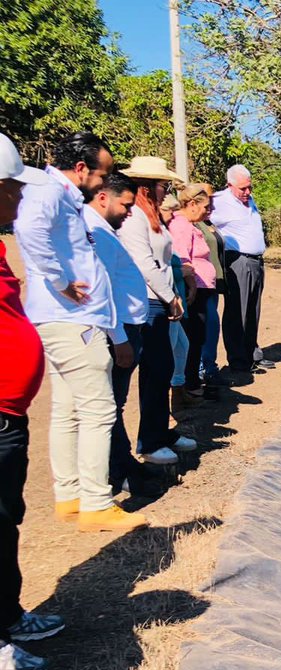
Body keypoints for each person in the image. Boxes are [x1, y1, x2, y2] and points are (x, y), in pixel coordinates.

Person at [13, 132, 147, 534]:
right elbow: (29, 230)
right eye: (102, 174)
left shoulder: (62, 197)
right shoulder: (50, 191)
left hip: (68, 319)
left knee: (69, 409)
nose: (103, 182)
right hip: (73, 320)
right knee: (98, 410)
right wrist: (59, 281)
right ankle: (96, 503)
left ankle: (70, 495)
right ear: (81, 168)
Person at [0, 133, 65, 670]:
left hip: (9, 416)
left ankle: (8, 615)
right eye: (12, 188)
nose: (21, 197)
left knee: (6, 519)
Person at [117, 156, 196, 466]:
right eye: (164, 185)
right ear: (148, 187)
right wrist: (169, 296)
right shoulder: (134, 217)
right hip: (149, 302)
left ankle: (160, 432)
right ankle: (150, 442)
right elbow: (144, 263)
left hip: (159, 300)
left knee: (162, 369)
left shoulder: (152, 217)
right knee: (154, 371)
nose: (167, 191)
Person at [84, 172, 153, 495]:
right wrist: (120, 338)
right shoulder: (94, 233)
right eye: (125, 205)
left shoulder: (104, 231)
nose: (129, 212)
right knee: (109, 405)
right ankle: (116, 472)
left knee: (115, 404)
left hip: (127, 327)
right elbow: (102, 290)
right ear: (103, 198)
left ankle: (122, 464)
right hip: (118, 331)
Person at [210, 164, 271, 375]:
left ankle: (252, 354)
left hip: (256, 261)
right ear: (230, 185)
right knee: (237, 311)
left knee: (253, 309)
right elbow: (200, 219)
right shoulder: (219, 201)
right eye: (242, 188)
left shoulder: (249, 200)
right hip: (238, 261)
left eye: (249, 187)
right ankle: (237, 360)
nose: (247, 192)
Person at [168, 184, 217, 399]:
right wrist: (192, 284)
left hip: (202, 288)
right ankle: (189, 383)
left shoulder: (190, 225)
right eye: (205, 206)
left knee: (198, 336)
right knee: (193, 337)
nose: (208, 211)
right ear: (192, 204)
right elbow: (183, 258)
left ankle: (191, 381)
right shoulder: (181, 226)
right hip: (194, 290)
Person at [159, 195, 197, 412]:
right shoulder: (151, 234)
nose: (172, 217)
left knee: (182, 345)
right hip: (165, 300)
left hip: (173, 296)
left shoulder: (164, 233)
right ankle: (167, 401)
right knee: (169, 349)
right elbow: (153, 270)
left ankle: (178, 391)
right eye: (169, 212)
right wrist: (181, 273)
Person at [194, 184, 226, 393]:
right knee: (203, 327)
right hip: (199, 285)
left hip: (212, 284)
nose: (211, 205)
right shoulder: (191, 224)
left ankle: (209, 367)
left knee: (212, 327)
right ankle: (200, 370)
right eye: (207, 200)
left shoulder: (208, 223)